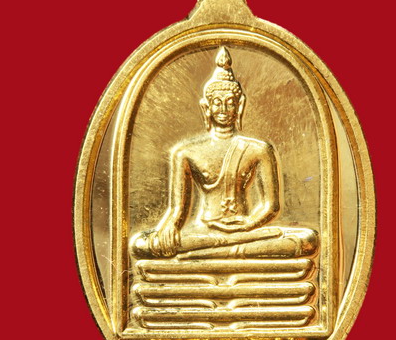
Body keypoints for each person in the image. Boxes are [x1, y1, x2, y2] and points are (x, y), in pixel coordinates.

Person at [131, 47, 317, 260]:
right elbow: (177, 210)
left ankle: (214, 252)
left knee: (307, 239)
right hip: (203, 231)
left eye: (230, 102)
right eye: (217, 103)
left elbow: (271, 206)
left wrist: (247, 224)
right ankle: (227, 250)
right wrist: (169, 227)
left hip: (246, 232)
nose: (223, 109)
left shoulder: (258, 149)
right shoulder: (185, 152)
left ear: (240, 106)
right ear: (206, 107)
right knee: (141, 244)